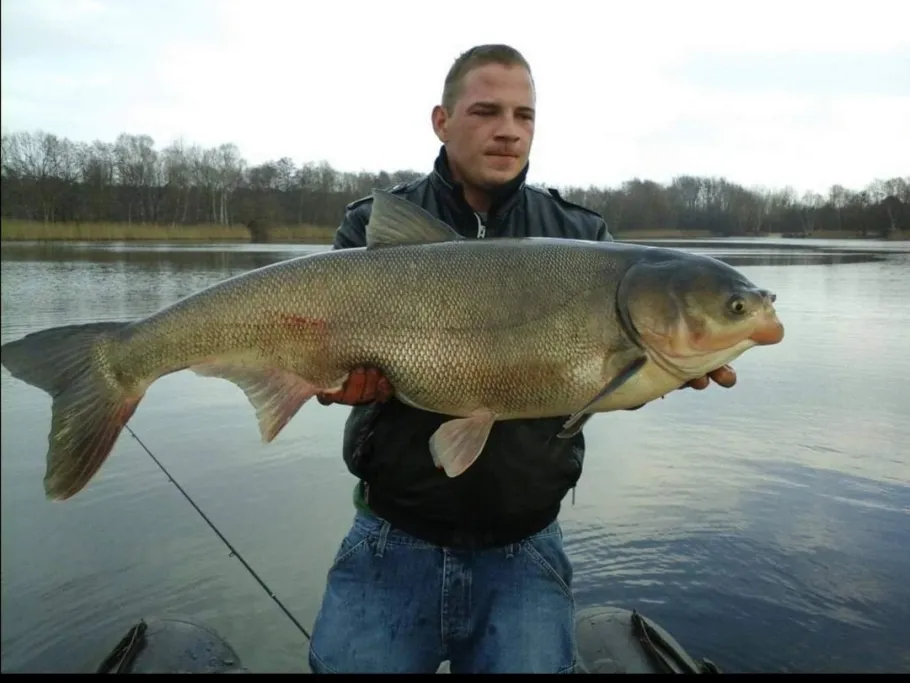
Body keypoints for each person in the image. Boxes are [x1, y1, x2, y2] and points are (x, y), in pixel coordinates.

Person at [307, 44, 736, 674]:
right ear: (441, 120)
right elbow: (321, 364)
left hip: (525, 548)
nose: (509, 130)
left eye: (524, 115)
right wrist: (329, 379)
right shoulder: (375, 228)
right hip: (391, 536)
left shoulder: (581, 238)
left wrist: (671, 364)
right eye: (486, 111)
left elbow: (606, 379)